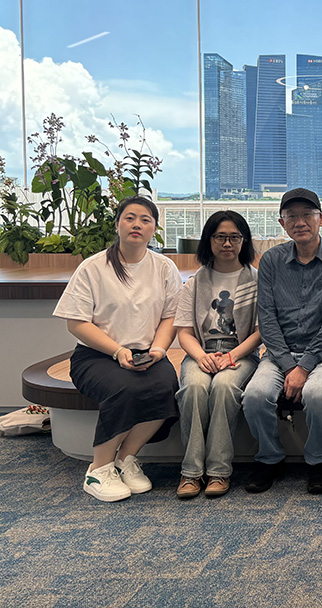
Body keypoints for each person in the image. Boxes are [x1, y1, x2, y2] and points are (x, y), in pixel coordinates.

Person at [54, 196, 182, 502]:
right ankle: (98, 469)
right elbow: (77, 323)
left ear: (154, 229)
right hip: (97, 356)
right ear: (117, 224)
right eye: (130, 218)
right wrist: (117, 351)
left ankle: (126, 458)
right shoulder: (93, 267)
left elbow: (170, 316)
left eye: (145, 220)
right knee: (124, 388)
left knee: (167, 386)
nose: (137, 224)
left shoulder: (164, 267)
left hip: (147, 352)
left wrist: (159, 350)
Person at [241, 188, 322, 495]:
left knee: (317, 394)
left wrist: (304, 367)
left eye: (307, 215)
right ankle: (270, 458)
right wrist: (289, 365)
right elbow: (267, 318)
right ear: (282, 223)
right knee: (255, 395)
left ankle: (319, 460)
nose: (300, 222)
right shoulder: (271, 260)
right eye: (292, 216)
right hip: (278, 353)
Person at [174, 210, 261, 499]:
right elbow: (184, 332)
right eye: (220, 237)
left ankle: (219, 472)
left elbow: (260, 332)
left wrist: (231, 356)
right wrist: (201, 357)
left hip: (241, 353)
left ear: (244, 241)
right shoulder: (195, 282)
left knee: (224, 387)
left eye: (234, 237)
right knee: (194, 388)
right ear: (208, 240)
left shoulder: (256, 280)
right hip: (202, 353)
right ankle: (190, 472)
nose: (227, 243)